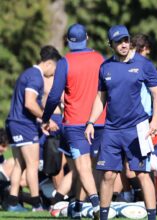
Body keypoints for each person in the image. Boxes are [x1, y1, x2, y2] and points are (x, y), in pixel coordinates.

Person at [84, 24, 157, 220]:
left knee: (142, 174)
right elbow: (100, 97)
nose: (124, 44)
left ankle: (152, 217)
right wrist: (91, 122)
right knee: (108, 175)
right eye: (119, 41)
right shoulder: (105, 67)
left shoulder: (143, 64)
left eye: (126, 40)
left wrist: (155, 121)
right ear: (110, 44)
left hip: (138, 128)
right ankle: (103, 216)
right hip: (111, 129)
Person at [42, 23, 105, 219]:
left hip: (75, 122)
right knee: (92, 167)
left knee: (82, 167)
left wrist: (45, 117)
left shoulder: (65, 62)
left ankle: (95, 204)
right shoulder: (99, 59)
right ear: (87, 36)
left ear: (68, 41)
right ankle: (79, 208)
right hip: (99, 121)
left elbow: (54, 96)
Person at [5, 45, 61, 212]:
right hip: (23, 126)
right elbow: (29, 103)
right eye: (55, 68)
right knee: (32, 164)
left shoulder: (27, 73)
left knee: (19, 164)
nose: (54, 73)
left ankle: (12, 203)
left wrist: (41, 122)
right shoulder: (37, 77)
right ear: (49, 63)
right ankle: (37, 205)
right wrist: (47, 119)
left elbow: (24, 105)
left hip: (13, 123)